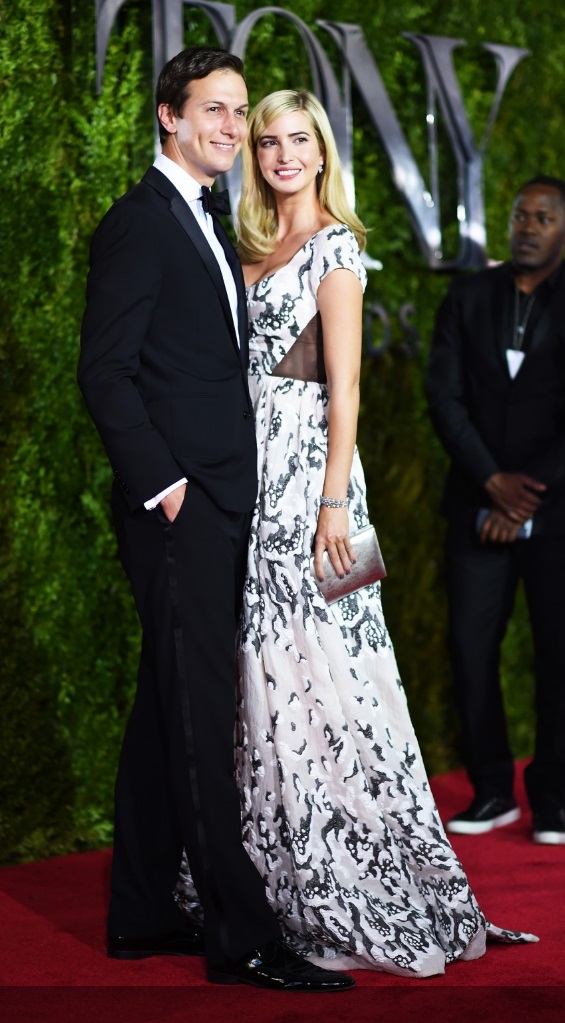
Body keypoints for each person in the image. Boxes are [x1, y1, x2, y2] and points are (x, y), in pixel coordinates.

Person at [210, 88, 535, 975]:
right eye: (267, 140)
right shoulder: (246, 245)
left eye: (297, 140)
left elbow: (344, 392)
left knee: (341, 672)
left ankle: (351, 875)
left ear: (322, 152)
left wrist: (328, 507)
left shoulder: (336, 251)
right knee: (262, 675)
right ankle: (270, 875)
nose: (281, 154)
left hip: (316, 493)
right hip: (248, 484)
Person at [77, 47, 354, 992]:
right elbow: (103, 372)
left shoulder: (201, 220)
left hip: (227, 499)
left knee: (168, 702)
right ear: (168, 115)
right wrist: (167, 486)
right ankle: (242, 935)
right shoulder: (139, 223)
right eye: (215, 111)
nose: (232, 129)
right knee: (199, 714)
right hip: (181, 508)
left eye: (241, 113)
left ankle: (140, 909)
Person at [426, 176, 565, 845]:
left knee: (557, 656)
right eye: (519, 215)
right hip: (475, 506)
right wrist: (490, 481)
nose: (526, 226)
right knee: (470, 650)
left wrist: (525, 491)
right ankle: (490, 790)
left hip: (556, 511)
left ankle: (554, 797)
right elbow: (443, 398)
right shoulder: (467, 294)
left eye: (542, 217)